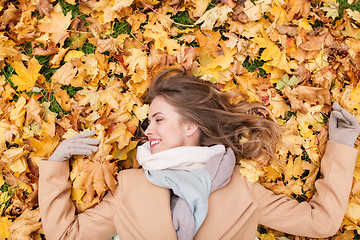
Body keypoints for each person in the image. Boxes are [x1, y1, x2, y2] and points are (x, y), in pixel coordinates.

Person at [39, 69, 360, 240]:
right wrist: (56, 164)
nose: (147, 130)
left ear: (191, 126)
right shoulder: (131, 187)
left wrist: (342, 142)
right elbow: (67, 236)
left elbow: (321, 223)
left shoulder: (242, 190)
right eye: (150, 121)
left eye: (159, 120)